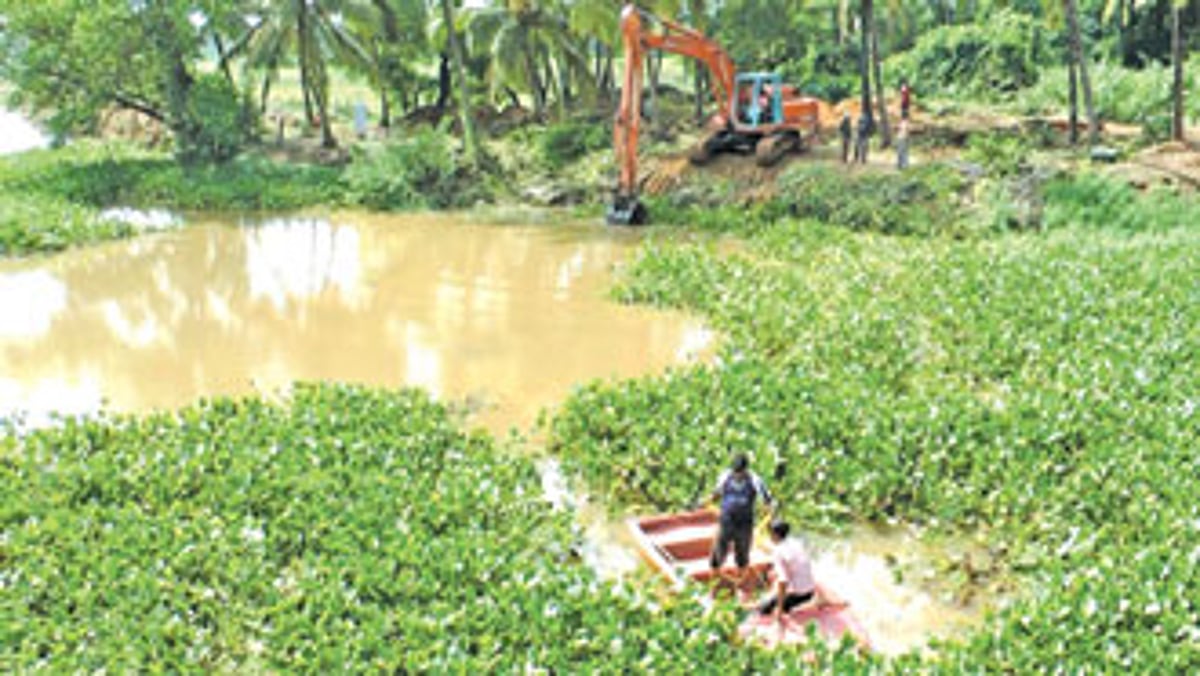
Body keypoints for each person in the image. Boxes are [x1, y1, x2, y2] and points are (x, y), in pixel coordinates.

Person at [709, 453, 774, 585]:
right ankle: (714, 583)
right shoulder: (725, 476)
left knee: (742, 555)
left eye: (740, 472)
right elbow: (715, 494)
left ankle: (741, 586)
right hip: (726, 521)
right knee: (718, 553)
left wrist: (768, 519)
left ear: (746, 469)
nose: (738, 475)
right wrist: (707, 502)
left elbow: (767, 501)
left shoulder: (755, 480)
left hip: (744, 523)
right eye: (736, 472)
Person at [758, 520, 818, 622]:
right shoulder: (796, 542)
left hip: (799, 595)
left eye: (770, 534)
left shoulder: (778, 552)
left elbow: (783, 581)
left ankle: (785, 608)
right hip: (810, 591)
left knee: (763, 609)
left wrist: (779, 611)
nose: (770, 537)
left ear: (775, 535)